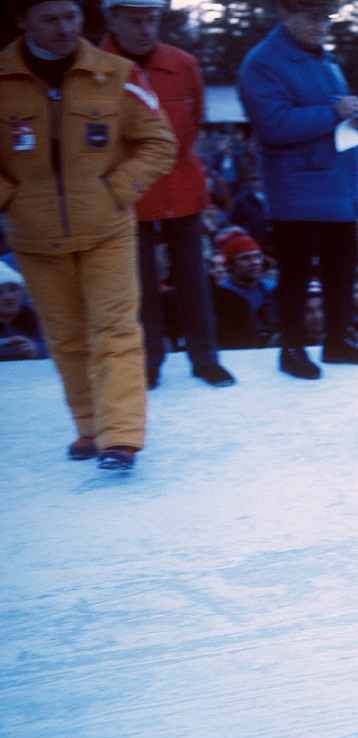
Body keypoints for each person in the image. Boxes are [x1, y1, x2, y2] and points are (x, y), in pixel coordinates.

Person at [0, 0, 177, 471]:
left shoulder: (116, 73)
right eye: (50, 19)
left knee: (115, 329)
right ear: (23, 21)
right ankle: (88, 427)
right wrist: (10, 198)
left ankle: (120, 436)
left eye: (71, 17)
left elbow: (160, 141)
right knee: (66, 337)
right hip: (34, 237)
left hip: (107, 230)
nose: (64, 29)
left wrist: (117, 190)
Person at [238, 0, 358, 379]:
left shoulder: (322, 59)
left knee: (342, 267)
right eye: (313, 18)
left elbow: (332, 114)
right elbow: (273, 125)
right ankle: (291, 347)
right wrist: (335, 112)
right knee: (296, 273)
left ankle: (338, 340)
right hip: (296, 189)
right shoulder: (263, 62)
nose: (322, 26)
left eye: (327, 18)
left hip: (332, 183)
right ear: (286, 14)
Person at [101, 0, 236, 390]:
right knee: (139, 281)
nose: (146, 29)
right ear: (112, 19)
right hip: (129, 189)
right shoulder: (95, 67)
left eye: (152, 19)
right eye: (135, 21)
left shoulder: (182, 63)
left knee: (193, 275)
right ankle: (148, 361)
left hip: (182, 183)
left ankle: (205, 357)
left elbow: (194, 123)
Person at [213, 234, 280, 349]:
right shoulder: (219, 295)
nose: (255, 262)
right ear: (230, 265)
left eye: (257, 256)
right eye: (245, 258)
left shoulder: (273, 290)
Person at [0, 260, 47, 360]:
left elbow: (66, 349)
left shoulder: (42, 319)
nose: (8, 297)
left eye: (13, 289)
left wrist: (38, 350)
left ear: (22, 291)